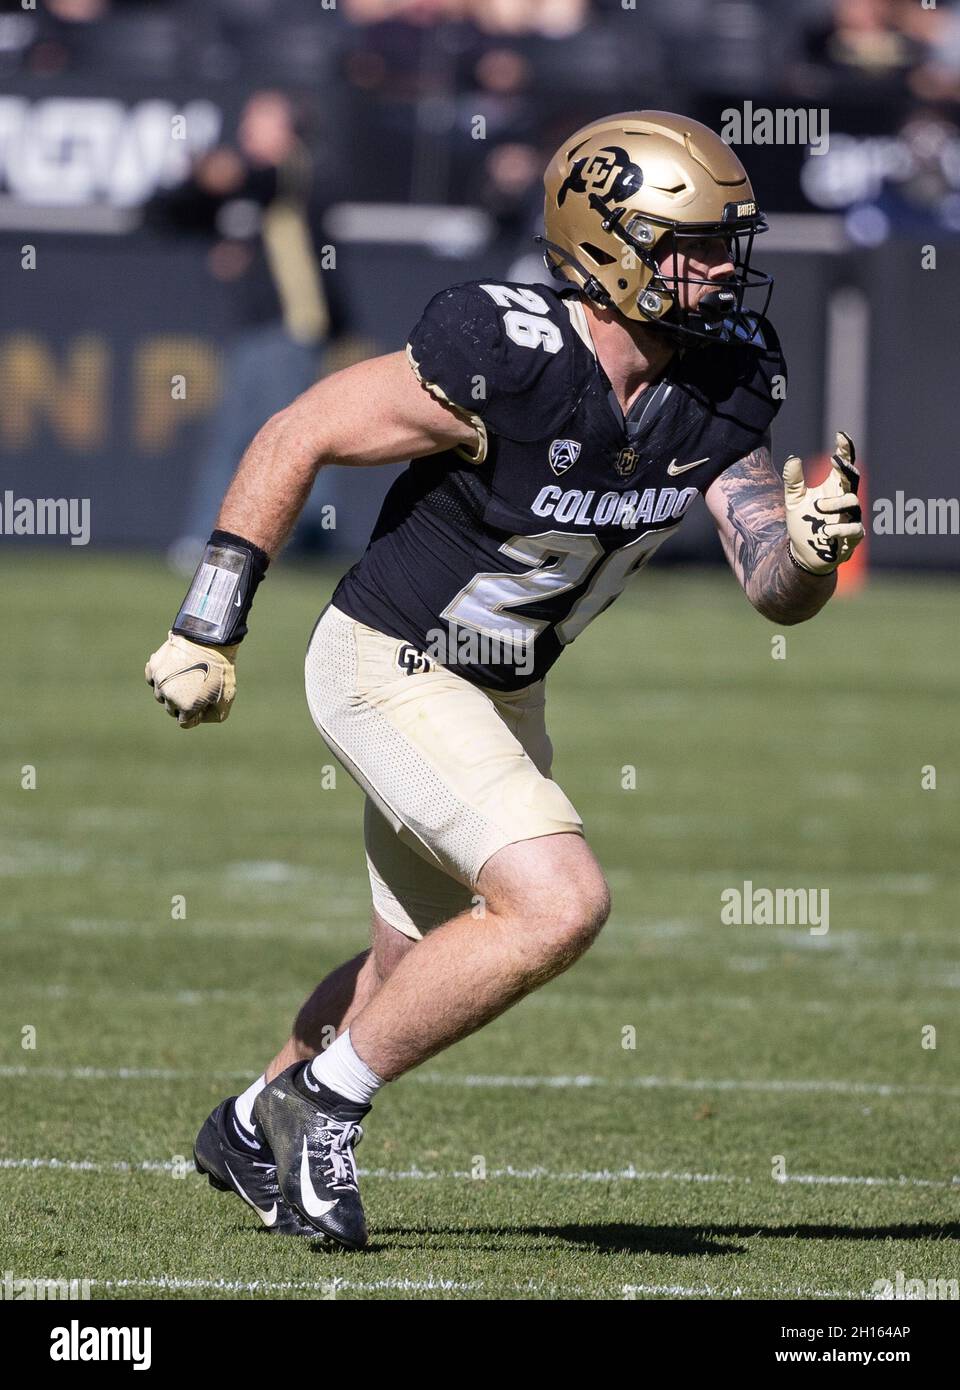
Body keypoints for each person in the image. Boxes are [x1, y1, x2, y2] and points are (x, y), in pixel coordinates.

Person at [145, 111, 864, 1248]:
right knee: (558, 902)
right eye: (698, 244)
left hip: (505, 688)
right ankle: (319, 1106)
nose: (728, 268)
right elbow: (299, 429)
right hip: (391, 660)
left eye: (732, 241)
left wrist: (813, 558)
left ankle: (246, 1122)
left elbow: (769, 580)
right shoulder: (505, 347)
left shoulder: (727, 377)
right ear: (610, 244)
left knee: (413, 962)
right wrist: (208, 624)